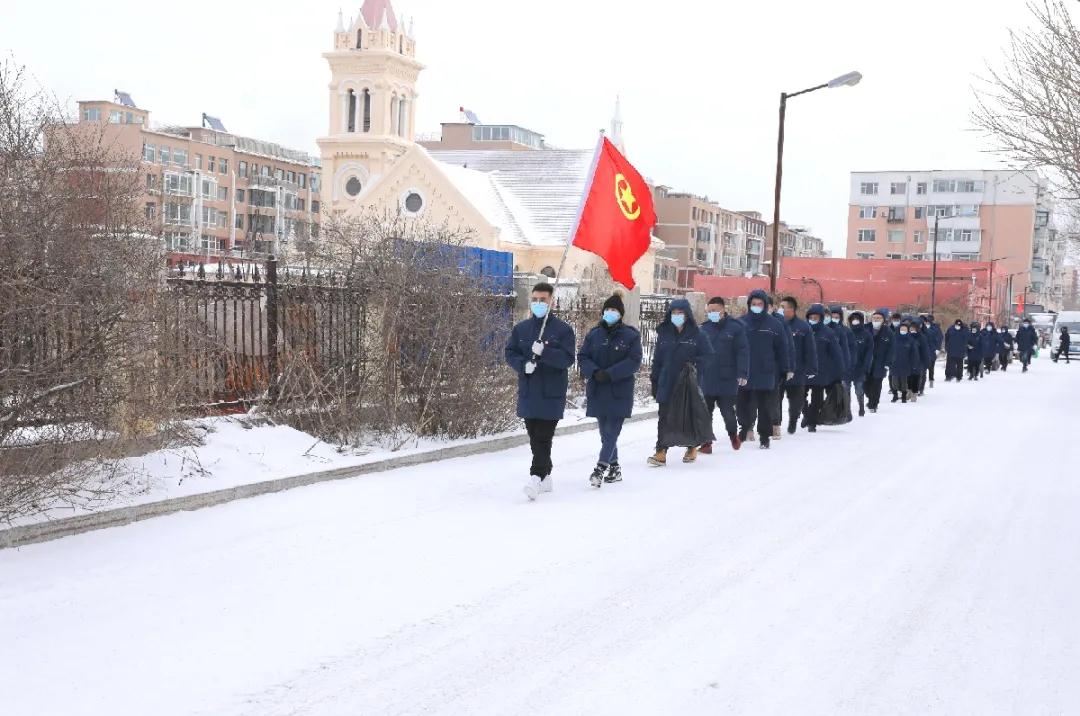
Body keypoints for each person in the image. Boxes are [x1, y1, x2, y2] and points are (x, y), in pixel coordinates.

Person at [505, 282, 576, 500]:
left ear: (551, 301)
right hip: (529, 392)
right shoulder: (522, 329)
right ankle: (547, 477)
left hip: (551, 393)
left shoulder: (563, 330)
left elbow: (567, 359)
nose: (538, 303)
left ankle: (535, 477)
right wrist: (522, 364)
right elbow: (510, 352)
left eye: (543, 300)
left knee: (543, 437)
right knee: (534, 436)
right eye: (535, 299)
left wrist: (544, 351)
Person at [577, 292, 643, 488]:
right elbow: (582, 357)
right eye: (607, 309)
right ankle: (615, 468)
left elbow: (634, 361)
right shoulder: (593, 334)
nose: (610, 313)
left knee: (612, 432)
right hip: (597, 390)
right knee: (605, 434)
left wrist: (611, 374)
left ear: (621, 314)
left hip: (619, 391)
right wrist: (594, 372)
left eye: (614, 310)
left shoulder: (631, 335)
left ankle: (599, 469)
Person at [649, 298, 714, 467]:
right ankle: (661, 451)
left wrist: (694, 364)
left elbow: (708, 357)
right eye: (674, 313)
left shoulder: (699, 335)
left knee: (688, 416)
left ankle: (692, 446)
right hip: (667, 381)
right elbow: (657, 360)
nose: (677, 316)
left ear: (687, 315)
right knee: (664, 416)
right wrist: (654, 380)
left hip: (688, 383)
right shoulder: (664, 333)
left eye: (680, 313)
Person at [736, 289, 792, 450]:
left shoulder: (775, 325)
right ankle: (746, 427)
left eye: (760, 304)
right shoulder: (740, 323)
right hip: (745, 372)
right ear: (749, 305)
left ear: (765, 305)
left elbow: (782, 348)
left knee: (765, 406)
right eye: (753, 304)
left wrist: (786, 368)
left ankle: (764, 436)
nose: (756, 306)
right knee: (743, 404)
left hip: (767, 371)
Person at [699, 297, 749, 454]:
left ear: (723, 310)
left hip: (727, 378)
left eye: (715, 310)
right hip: (707, 377)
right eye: (709, 311)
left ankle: (733, 435)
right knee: (705, 412)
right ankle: (706, 443)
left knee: (727, 411)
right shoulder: (703, 328)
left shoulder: (735, 328)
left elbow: (743, 351)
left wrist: (742, 373)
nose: (712, 313)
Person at [780, 296, 818, 434]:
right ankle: (776, 424)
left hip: (797, 370)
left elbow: (810, 350)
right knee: (774, 401)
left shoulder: (803, 327)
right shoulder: (775, 324)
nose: (781, 310)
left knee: (796, 401)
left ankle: (793, 420)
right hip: (778, 371)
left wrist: (812, 367)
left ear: (792, 309)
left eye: (783, 307)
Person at [803, 304, 843, 432]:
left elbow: (836, 353)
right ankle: (807, 414)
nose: (813, 319)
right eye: (811, 317)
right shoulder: (802, 330)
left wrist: (840, 371)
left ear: (821, 318)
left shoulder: (828, 333)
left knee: (817, 400)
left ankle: (812, 422)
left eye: (816, 317)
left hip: (821, 371)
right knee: (798, 397)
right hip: (803, 370)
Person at [769, 298, 798, 441]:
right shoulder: (748, 321)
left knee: (774, 396)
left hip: (775, 366)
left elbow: (789, 347)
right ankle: (750, 426)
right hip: (755, 367)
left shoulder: (781, 322)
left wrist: (789, 368)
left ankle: (775, 425)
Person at [866, 308, 893, 413]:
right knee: (865, 384)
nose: (876, 320)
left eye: (879, 318)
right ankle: (871, 398)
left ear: (883, 320)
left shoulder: (888, 332)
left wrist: (888, 363)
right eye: (875, 318)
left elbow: (892, 348)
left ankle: (873, 404)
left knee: (876, 384)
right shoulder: (866, 329)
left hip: (880, 363)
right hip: (867, 363)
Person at [848, 311, 874, 417]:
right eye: (853, 319)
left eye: (857, 319)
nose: (855, 321)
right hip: (847, 368)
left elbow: (869, 352)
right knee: (845, 389)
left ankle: (861, 406)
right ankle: (846, 409)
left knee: (859, 389)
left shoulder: (867, 335)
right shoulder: (847, 333)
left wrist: (866, 366)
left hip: (860, 367)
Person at [889, 319, 918, 403]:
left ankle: (904, 396)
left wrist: (914, 363)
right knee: (894, 381)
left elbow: (914, 353)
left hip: (906, 363)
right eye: (902, 329)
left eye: (905, 329)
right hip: (894, 363)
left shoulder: (910, 340)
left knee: (904, 381)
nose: (903, 331)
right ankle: (895, 395)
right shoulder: (894, 338)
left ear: (908, 330)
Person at [909, 317, 931, 400]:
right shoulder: (907, 335)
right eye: (911, 327)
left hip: (920, 360)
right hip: (909, 360)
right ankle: (909, 391)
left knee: (919, 375)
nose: (912, 329)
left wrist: (927, 361)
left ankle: (919, 389)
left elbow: (925, 349)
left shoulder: (922, 336)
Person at [924, 314, 944, 387]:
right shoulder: (922, 327)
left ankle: (931, 380)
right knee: (923, 367)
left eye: (929, 321)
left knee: (931, 366)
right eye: (927, 321)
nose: (928, 322)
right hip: (924, 349)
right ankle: (922, 381)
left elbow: (940, 338)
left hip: (932, 349)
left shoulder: (936, 328)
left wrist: (937, 348)